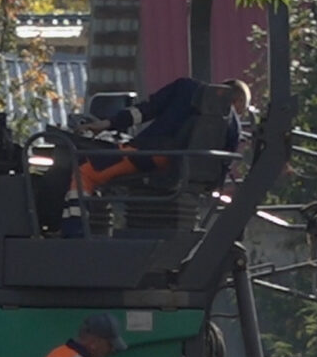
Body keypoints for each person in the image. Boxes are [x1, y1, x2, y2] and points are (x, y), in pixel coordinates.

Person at [62, 77, 250, 237]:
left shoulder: (186, 88)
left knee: (85, 170)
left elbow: (144, 110)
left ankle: (75, 234)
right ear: (239, 101)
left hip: (151, 154)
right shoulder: (233, 124)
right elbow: (225, 163)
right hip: (182, 171)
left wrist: (108, 124)